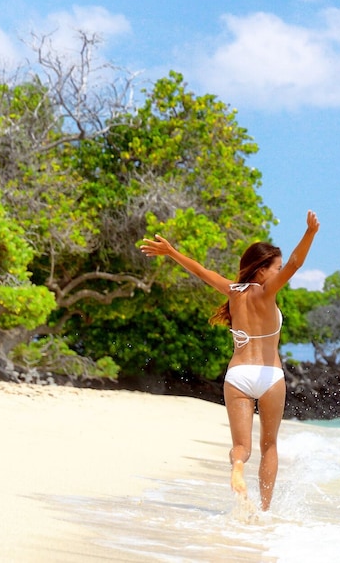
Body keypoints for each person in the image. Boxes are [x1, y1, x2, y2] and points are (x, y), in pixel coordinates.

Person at [139, 210, 319, 511]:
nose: (277, 273)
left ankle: (237, 466)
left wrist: (170, 252)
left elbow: (199, 271)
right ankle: (263, 510)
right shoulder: (266, 292)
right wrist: (310, 233)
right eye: (274, 268)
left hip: (237, 376)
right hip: (269, 375)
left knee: (241, 447)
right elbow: (296, 264)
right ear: (260, 271)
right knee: (269, 445)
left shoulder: (233, 291)